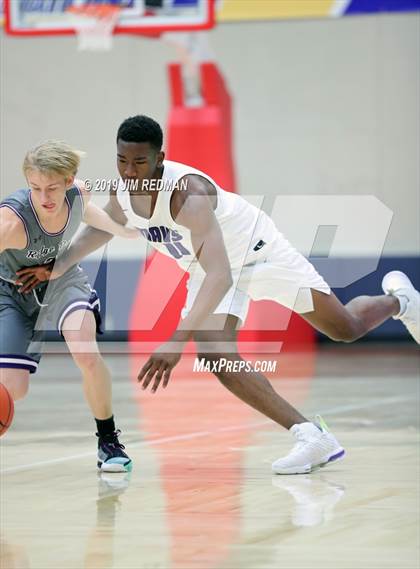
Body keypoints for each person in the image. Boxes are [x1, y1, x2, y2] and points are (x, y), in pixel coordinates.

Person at [16, 117, 420, 475]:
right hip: (204, 268)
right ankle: (310, 436)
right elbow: (101, 229)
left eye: (140, 162)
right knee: (214, 352)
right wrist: (57, 266)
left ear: (160, 158)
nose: (130, 171)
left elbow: (221, 274)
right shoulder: (123, 192)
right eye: (122, 161)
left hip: (260, 256)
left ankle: (399, 300)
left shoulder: (188, 194)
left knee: (345, 329)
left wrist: (176, 341)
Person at [0, 140, 136, 473]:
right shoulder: (11, 223)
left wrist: (122, 230)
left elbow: (85, 212)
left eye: (52, 188)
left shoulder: (80, 193)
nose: (44, 197)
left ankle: (108, 441)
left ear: (70, 180)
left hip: (62, 283)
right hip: (12, 293)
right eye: (35, 188)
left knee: (86, 352)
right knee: (13, 390)